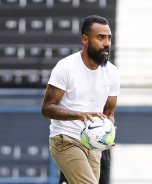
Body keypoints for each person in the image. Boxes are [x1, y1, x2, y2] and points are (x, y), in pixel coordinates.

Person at [41, 15, 120, 184]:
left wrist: (109, 130)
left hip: (94, 144)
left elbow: (109, 113)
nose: (107, 43)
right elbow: (47, 108)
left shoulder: (112, 73)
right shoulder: (65, 68)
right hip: (66, 139)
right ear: (85, 39)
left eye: (109, 38)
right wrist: (79, 115)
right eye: (100, 37)